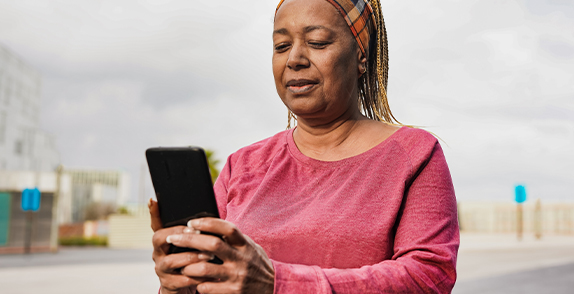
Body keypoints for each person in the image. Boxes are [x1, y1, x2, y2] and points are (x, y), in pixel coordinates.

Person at [149, 0, 459, 293]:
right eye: (281, 46)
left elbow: (429, 277)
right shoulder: (241, 164)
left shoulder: (414, 154)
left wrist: (278, 284)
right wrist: (179, 282)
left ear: (361, 57)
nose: (294, 59)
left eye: (318, 42)